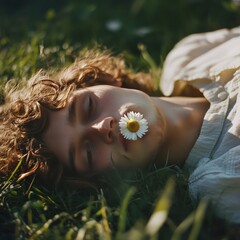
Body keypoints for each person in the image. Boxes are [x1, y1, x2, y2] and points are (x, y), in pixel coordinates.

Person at [0, 26, 239, 223]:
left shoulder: (189, 57)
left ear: (103, 80)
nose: (102, 127)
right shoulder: (220, 181)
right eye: (88, 152)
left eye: (88, 107)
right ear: (103, 183)